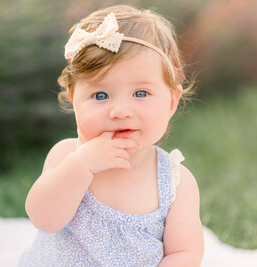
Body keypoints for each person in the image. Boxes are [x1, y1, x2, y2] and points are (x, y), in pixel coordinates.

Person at [19, 5, 204, 266]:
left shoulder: (175, 183)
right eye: (100, 95)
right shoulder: (67, 156)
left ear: (171, 102)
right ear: (75, 101)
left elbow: (184, 253)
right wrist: (81, 165)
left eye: (141, 93)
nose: (120, 111)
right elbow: (44, 219)